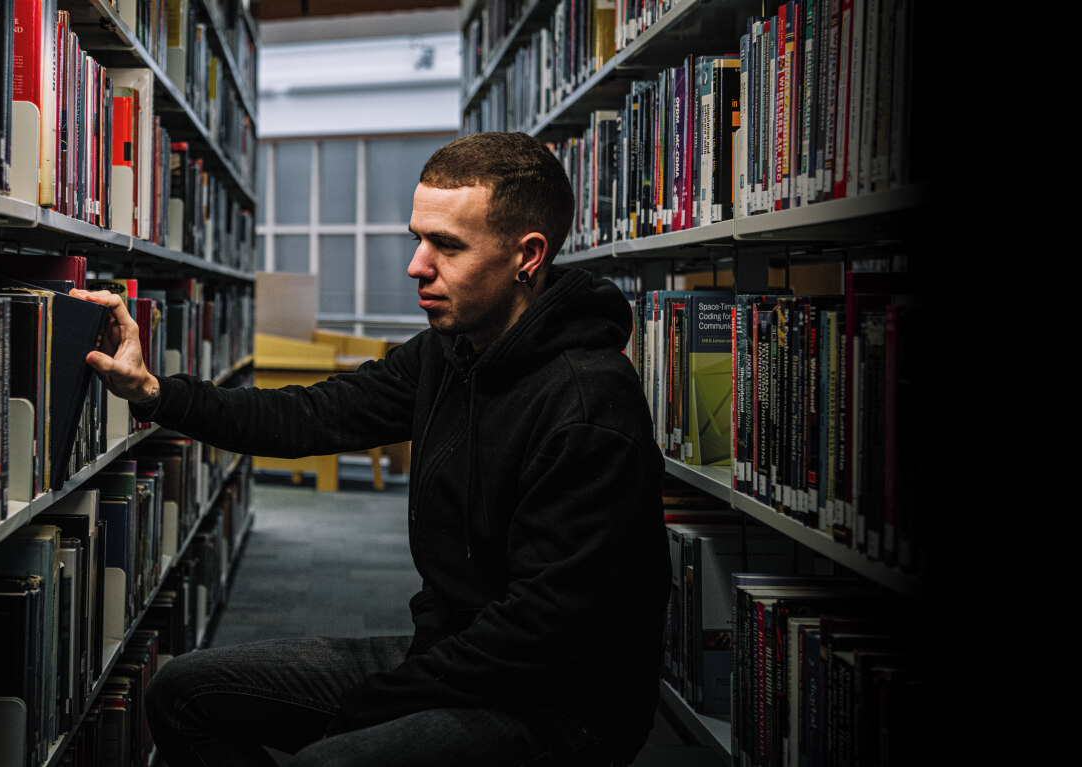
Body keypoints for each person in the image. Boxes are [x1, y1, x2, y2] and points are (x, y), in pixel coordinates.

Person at [71, 132, 669, 767]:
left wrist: (367, 712)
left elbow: (537, 634)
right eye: (417, 237)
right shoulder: (453, 351)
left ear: (528, 255)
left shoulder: (588, 408)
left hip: (557, 704)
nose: (416, 265)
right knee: (182, 692)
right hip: (448, 653)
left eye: (448, 246)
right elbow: (311, 415)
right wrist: (154, 392)